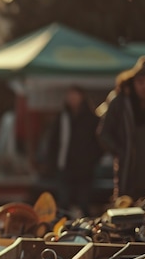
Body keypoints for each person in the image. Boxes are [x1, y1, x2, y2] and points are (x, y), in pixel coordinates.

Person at [97, 55, 145, 202]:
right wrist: (121, 151)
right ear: (133, 83)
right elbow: (104, 133)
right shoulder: (120, 103)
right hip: (129, 175)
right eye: (141, 82)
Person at [44, 86, 103, 217]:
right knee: (64, 202)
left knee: (84, 202)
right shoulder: (62, 117)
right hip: (65, 165)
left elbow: (100, 142)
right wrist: (51, 162)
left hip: (85, 167)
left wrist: (93, 158)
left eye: (75, 95)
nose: (72, 99)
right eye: (70, 96)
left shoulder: (91, 119)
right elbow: (53, 141)